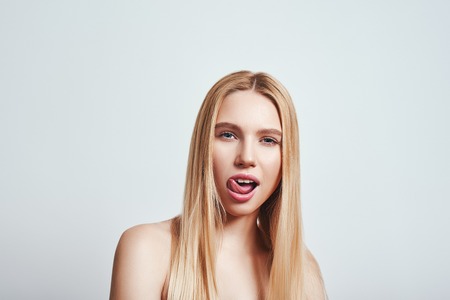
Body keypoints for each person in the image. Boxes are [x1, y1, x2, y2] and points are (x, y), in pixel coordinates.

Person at [110, 71, 327, 299]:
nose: (246, 157)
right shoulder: (146, 249)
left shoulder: (303, 272)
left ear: (287, 158)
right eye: (228, 135)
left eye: (268, 140)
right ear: (204, 146)